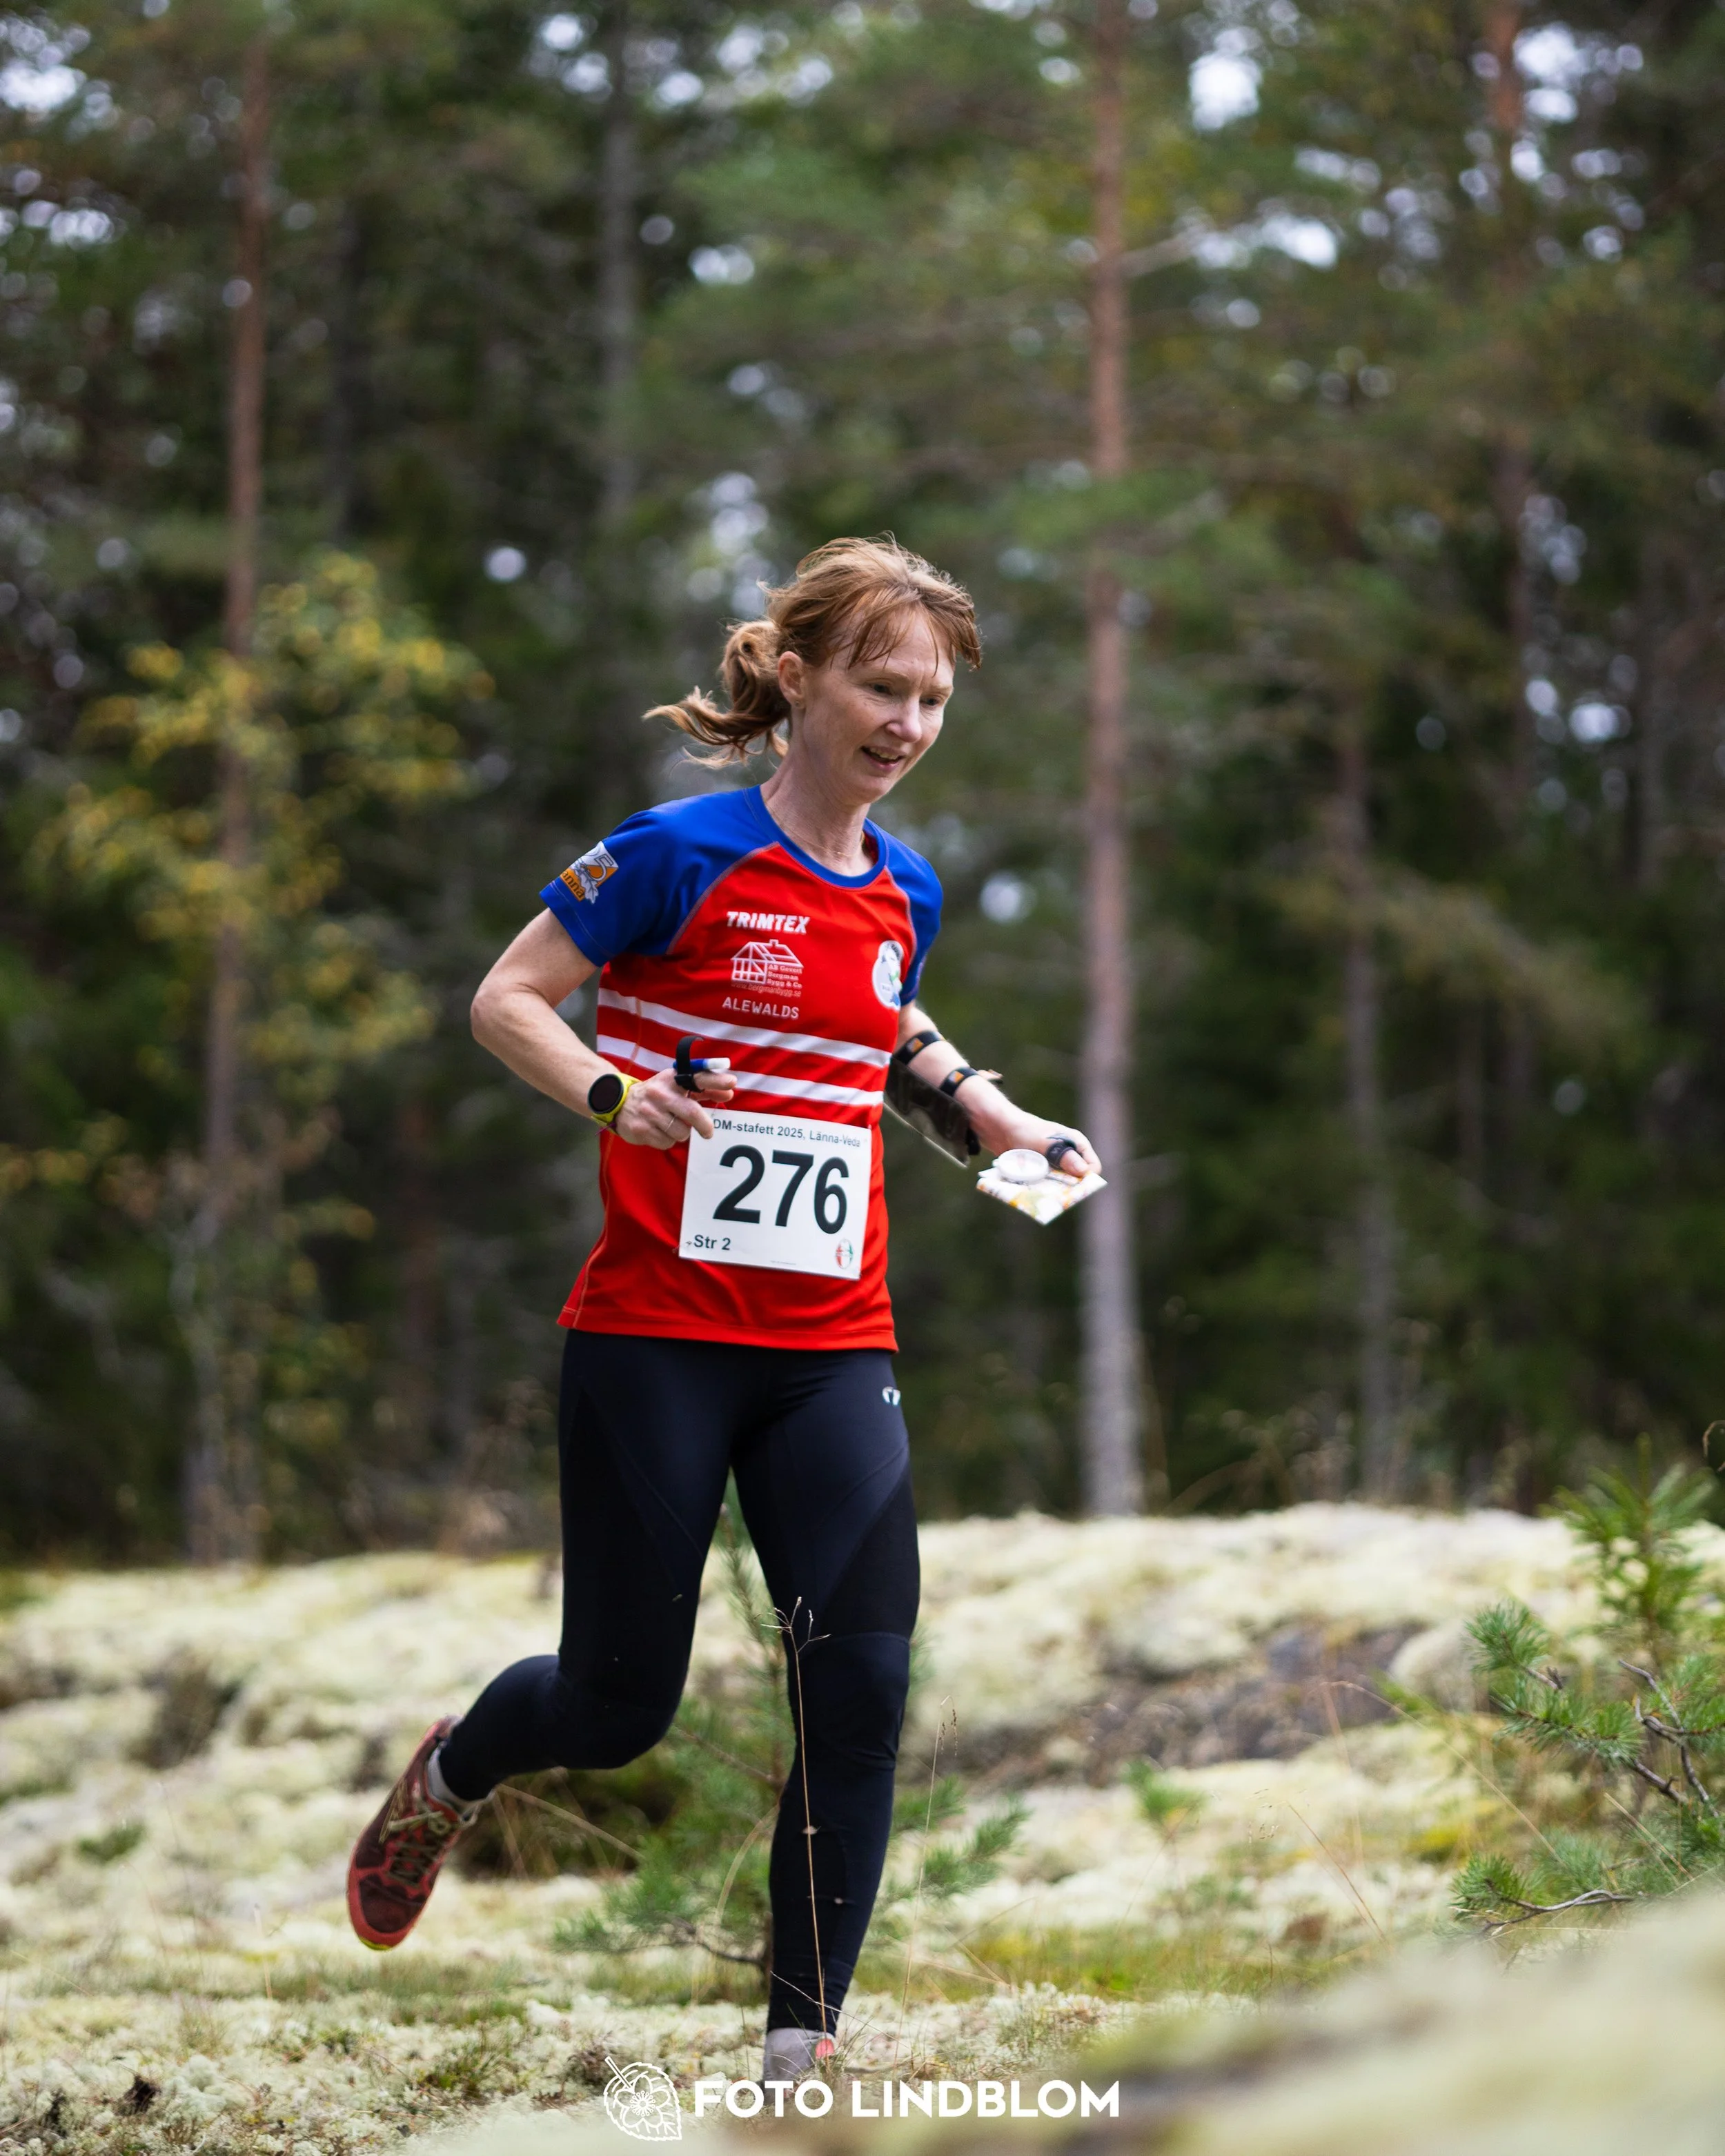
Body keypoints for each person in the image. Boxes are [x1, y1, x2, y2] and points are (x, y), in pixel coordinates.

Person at [346, 537, 1102, 2080]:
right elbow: (506, 998)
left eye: (933, 698)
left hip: (833, 1345)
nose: (904, 722)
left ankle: (795, 2058)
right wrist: (610, 1090)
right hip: (655, 1338)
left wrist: (989, 1114)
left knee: (864, 1678)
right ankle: (451, 1771)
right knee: (618, 1702)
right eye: (880, 686)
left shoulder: (907, 885)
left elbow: (874, 1017)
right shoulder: (673, 854)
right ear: (801, 677)